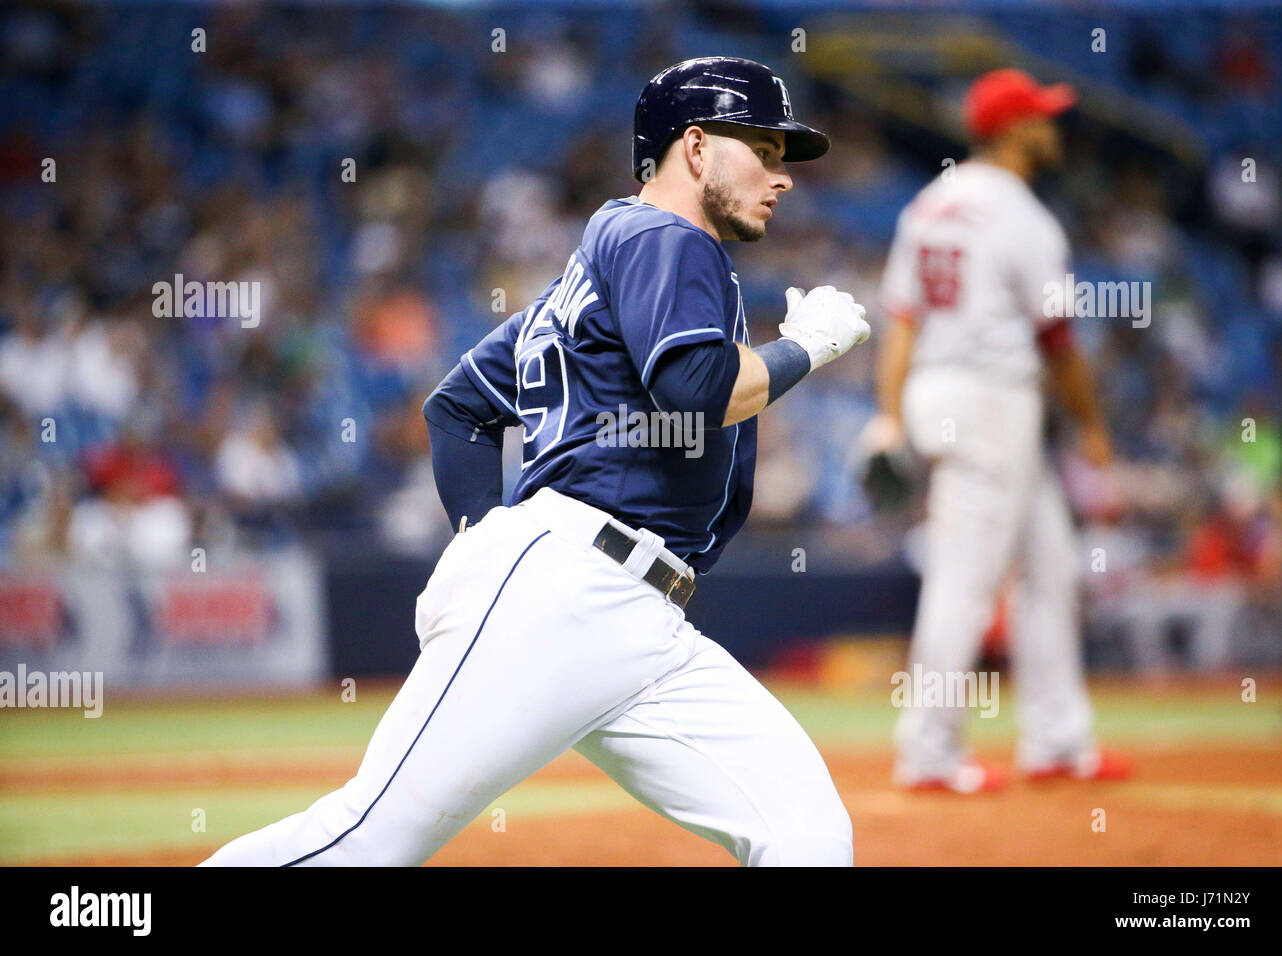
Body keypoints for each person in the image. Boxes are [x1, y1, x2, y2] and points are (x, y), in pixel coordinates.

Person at [201, 57, 871, 866]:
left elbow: (457, 407)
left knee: (805, 831)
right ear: (695, 147)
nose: (782, 173)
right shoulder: (664, 235)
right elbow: (696, 391)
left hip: (639, 615)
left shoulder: (590, 276)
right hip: (569, 584)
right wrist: (808, 345)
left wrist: (482, 535)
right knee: (369, 839)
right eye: (762, 148)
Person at [866, 68, 1132, 793]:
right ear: (1013, 131)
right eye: (1042, 118)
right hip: (992, 400)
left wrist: (891, 415)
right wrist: (1094, 425)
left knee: (1051, 567)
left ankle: (1056, 740)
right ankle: (928, 749)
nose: (1053, 129)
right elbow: (1058, 341)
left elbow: (901, 322)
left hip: (937, 391)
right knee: (964, 578)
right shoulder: (1022, 216)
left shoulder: (928, 205)